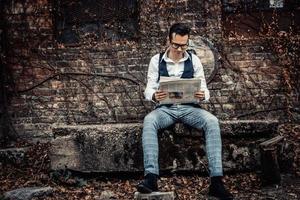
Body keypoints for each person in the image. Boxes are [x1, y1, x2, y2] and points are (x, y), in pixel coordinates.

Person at [136, 23, 233, 200]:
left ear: (188, 42)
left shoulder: (194, 60)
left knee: (212, 122)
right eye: (176, 45)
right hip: (165, 109)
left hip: (190, 108)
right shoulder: (156, 60)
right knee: (149, 121)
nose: (180, 49)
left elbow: (205, 89)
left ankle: (217, 182)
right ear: (169, 40)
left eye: (184, 45)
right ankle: (151, 178)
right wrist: (154, 95)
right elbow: (148, 89)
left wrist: (202, 94)